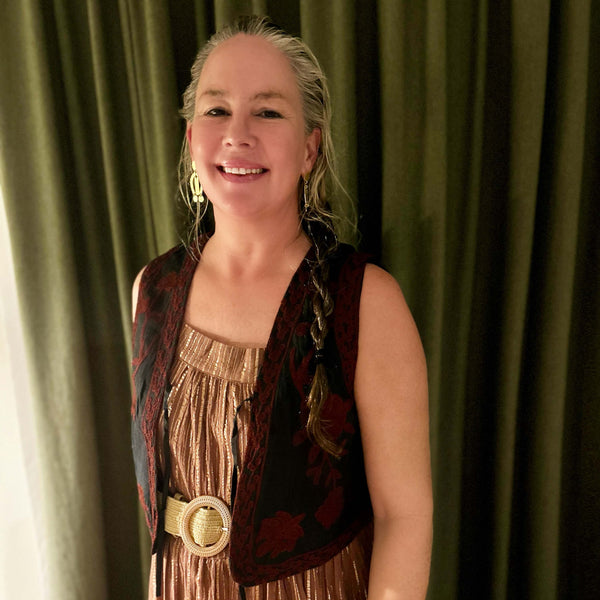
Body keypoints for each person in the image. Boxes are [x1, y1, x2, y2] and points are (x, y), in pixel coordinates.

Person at [131, 16, 432, 600]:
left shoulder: (367, 301)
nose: (237, 134)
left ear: (310, 148)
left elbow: (404, 516)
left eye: (268, 112)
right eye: (217, 110)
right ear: (191, 139)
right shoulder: (153, 289)